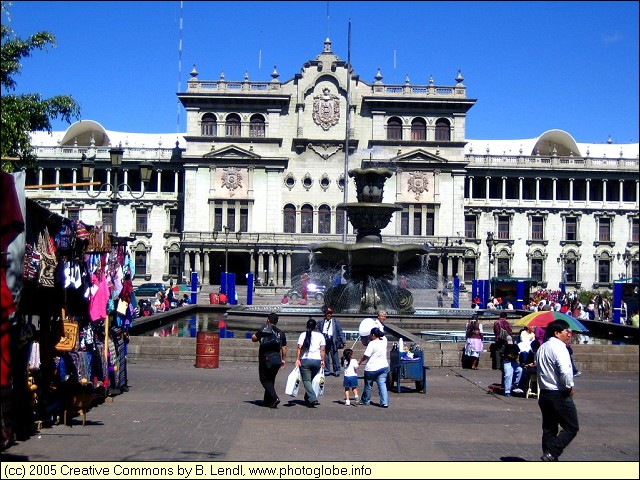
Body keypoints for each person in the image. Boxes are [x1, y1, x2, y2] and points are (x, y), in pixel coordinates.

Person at [535, 319, 579, 461]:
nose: (569, 334)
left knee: (549, 429)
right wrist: (569, 386)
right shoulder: (560, 348)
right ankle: (552, 453)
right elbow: (565, 370)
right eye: (567, 331)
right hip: (558, 393)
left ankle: (549, 459)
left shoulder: (542, 347)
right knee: (571, 427)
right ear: (557, 333)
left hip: (544, 393)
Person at [251, 312, 287, 408]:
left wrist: (255, 334)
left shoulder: (265, 329)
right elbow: (284, 348)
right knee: (271, 379)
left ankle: (275, 398)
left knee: (264, 379)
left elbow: (254, 338)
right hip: (276, 359)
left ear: (268, 320)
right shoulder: (281, 333)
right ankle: (268, 401)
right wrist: (283, 360)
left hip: (265, 358)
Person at [295, 318, 326, 408]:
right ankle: (307, 398)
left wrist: (298, 359)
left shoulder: (303, 335)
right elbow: (323, 350)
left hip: (305, 360)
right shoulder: (320, 336)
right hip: (316, 360)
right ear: (316, 327)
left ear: (306, 326)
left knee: (306, 381)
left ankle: (312, 398)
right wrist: (322, 360)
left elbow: (299, 348)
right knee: (311, 380)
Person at [357, 328, 389, 407]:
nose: (369, 336)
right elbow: (383, 336)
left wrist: (359, 362)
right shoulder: (384, 341)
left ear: (373, 335)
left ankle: (366, 400)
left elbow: (366, 355)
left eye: (370, 334)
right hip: (383, 366)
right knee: (382, 385)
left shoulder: (372, 344)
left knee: (368, 385)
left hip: (372, 368)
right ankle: (384, 402)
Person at [317, 306, 345, 377]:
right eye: (327, 313)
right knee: (325, 356)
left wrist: (343, 340)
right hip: (324, 341)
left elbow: (340, 331)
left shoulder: (335, 322)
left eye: (330, 313)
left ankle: (337, 370)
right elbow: (318, 331)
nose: (329, 315)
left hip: (333, 341)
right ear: (325, 314)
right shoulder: (320, 322)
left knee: (334, 356)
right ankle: (326, 370)